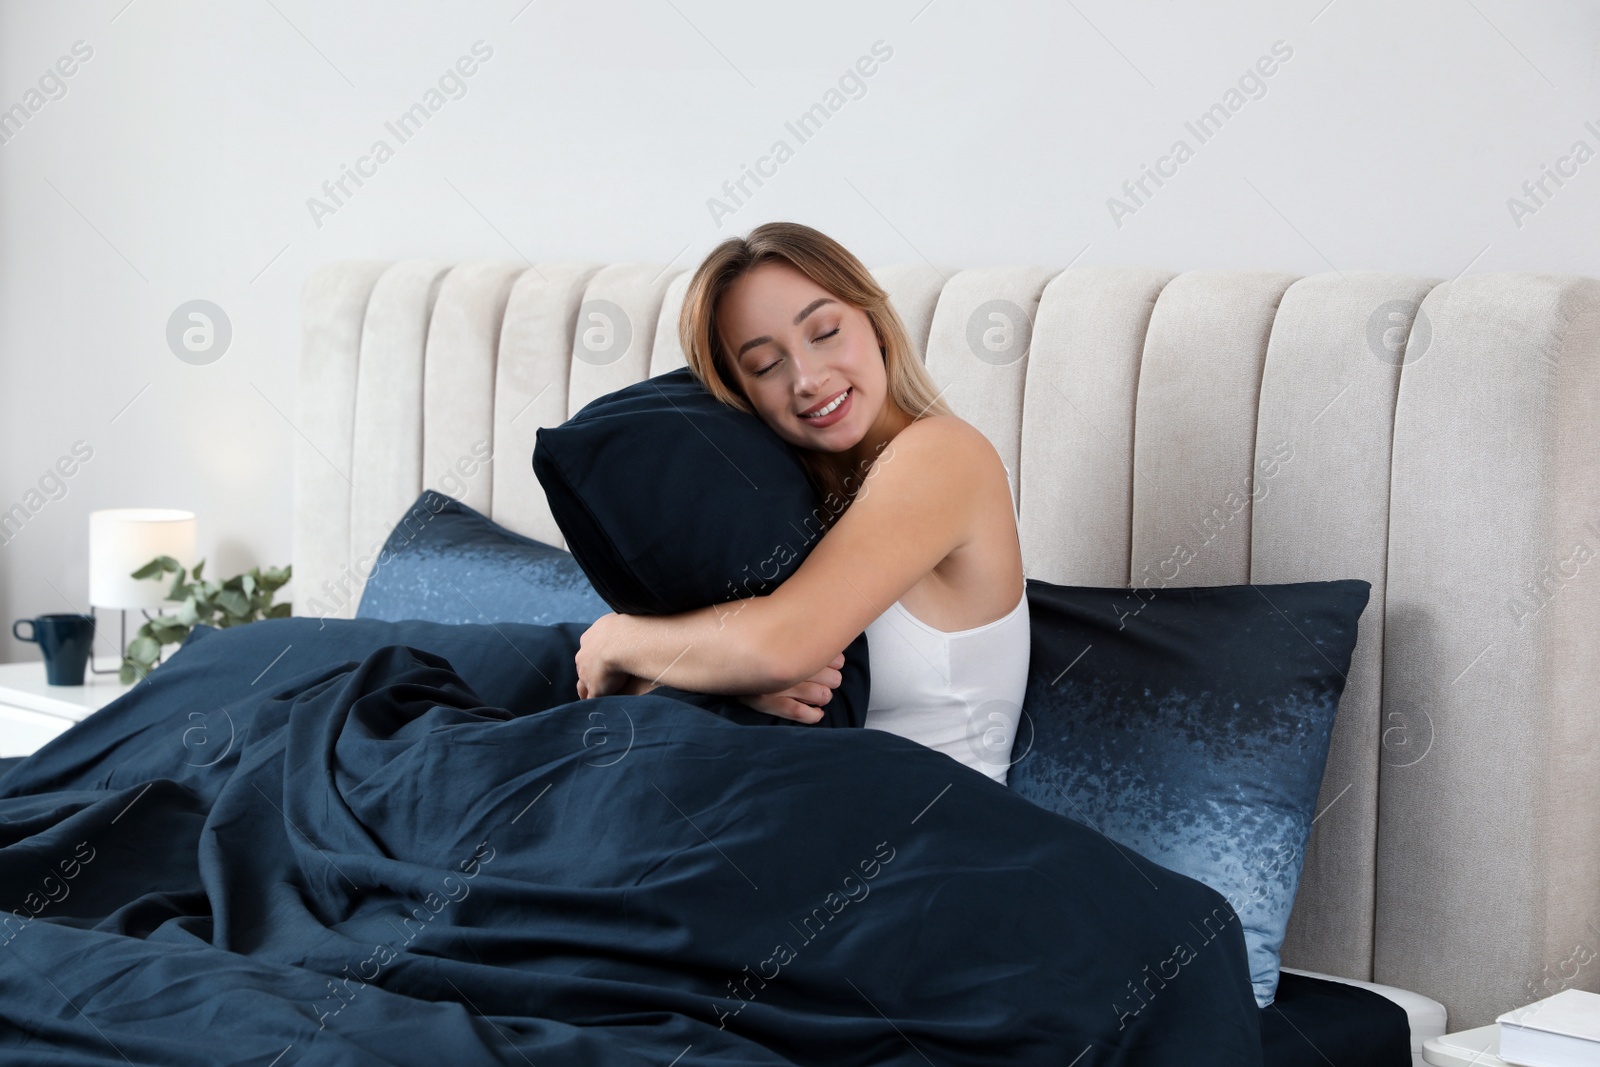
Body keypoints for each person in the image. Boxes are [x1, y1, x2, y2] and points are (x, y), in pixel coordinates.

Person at [575, 221, 1030, 782]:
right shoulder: (786, 501)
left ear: (877, 324)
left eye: (825, 332)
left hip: (930, 829)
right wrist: (738, 681)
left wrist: (616, 638)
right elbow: (663, 680)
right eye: (766, 366)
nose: (808, 379)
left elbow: (779, 646)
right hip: (794, 801)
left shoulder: (945, 455)